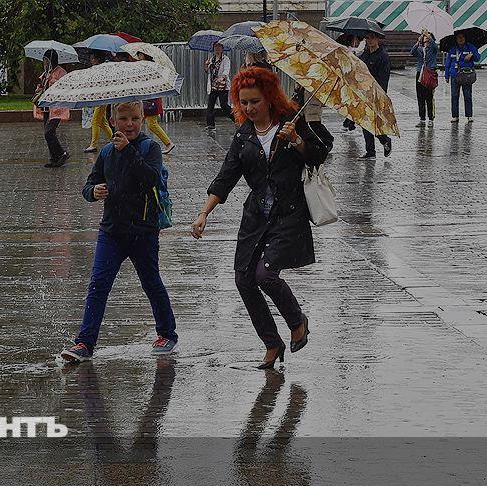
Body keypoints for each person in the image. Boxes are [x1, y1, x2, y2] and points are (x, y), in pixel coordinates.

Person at [190, 67, 329, 369]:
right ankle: (272, 343)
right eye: (244, 102)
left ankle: (297, 321)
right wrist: (204, 213)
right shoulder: (244, 135)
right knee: (243, 279)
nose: (249, 108)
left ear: (269, 98)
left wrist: (296, 140)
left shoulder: (292, 121)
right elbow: (226, 176)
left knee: (265, 275)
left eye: (255, 101)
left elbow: (319, 154)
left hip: (288, 215)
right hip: (256, 217)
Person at [60, 100, 177, 363]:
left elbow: (151, 178)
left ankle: (167, 333)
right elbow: (90, 183)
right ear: (113, 122)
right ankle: (85, 343)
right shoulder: (106, 152)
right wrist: (93, 191)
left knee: (150, 281)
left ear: (143, 120)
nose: (130, 124)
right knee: (98, 284)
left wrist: (128, 151)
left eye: (135, 118)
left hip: (143, 231)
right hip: (111, 231)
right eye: (124, 119)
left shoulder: (150, 148)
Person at [34, 49, 70, 167]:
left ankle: (61, 153)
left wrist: (52, 79)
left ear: (51, 60)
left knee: (48, 132)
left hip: (57, 107)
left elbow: (64, 86)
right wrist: (39, 87)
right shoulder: (45, 73)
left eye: (46, 60)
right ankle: (54, 159)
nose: (44, 62)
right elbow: (42, 87)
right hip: (46, 107)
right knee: (48, 132)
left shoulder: (61, 72)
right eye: (44, 60)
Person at [359, 32, 392, 158]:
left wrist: (380, 94)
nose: (370, 40)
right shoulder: (365, 54)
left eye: (372, 38)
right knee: (365, 121)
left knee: (372, 122)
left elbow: (384, 78)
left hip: (375, 93)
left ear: (377, 38)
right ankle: (371, 151)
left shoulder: (383, 56)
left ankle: (384, 140)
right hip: (363, 92)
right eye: (367, 38)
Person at [134, 52, 176, 154]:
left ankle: (168, 143)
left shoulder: (149, 66)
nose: (138, 57)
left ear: (144, 55)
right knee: (140, 122)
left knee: (152, 124)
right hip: (148, 98)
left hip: (152, 99)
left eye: (139, 55)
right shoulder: (146, 66)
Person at [444, 31, 481, 123]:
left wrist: (472, 55)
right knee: (454, 96)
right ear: (456, 39)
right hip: (454, 75)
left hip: (466, 75)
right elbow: (448, 63)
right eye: (459, 37)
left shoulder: (470, 47)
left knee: (467, 96)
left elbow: (477, 58)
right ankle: (455, 116)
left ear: (465, 38)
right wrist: (446, 75)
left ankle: (469, 115)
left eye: (462, 37)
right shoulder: (452, 49)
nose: (461, 39)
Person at [84, 52, 114, 153]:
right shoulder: (97, 69)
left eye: (93, 58)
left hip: (101, 98)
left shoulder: (101, 70)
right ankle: (113, 139)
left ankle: (93, 145)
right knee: (102, 122)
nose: (91, 61)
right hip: (99, 98)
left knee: (95, 121)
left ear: (97, 59)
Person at [411, 30, 438, 127]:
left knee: (429, 97)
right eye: (425, 37)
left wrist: (429, 36)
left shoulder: (432, 48)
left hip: (429, 72)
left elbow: (435, 46)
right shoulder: (420, 48)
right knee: (420, 96)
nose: (425, 38)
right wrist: (418, 42)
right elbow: (412, 52)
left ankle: (431, 118)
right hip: (420, 73)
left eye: (428, 37)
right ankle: (422, 119)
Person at [339, 35, 365, 132]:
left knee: (355, 103)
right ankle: (348, 124)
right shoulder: (350, 45)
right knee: (354, 103)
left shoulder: (361, 45)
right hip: (352, 79)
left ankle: (349, 125)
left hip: (357, 79)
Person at [205, 42, 233, 129]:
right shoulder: (211, 59)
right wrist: (206, 66)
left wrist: (222, 77)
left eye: (219, 46)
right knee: (210, 106)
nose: (217, 48)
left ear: (222, 48)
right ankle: (210, 124)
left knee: (224, 106)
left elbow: (226, 70)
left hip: (222, 86)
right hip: (213, 86)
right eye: (215, 46)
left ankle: (236, 118)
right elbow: (208, 72)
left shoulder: (225, 59)